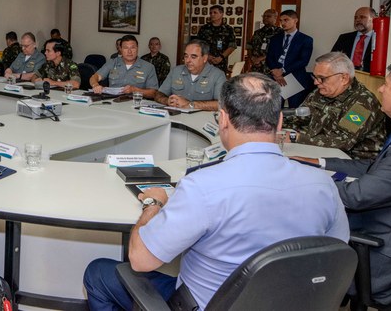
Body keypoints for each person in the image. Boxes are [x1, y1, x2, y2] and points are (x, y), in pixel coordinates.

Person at [83, 73, 349, 310]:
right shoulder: (323, 185)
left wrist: (153, 203)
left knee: (98, 273)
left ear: (222, 119)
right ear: (279, 122)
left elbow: (141, 260)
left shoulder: (204, 186)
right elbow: (335, 257)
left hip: (209, 304)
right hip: (292, 302)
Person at [293, 62, 391, 305]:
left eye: (388, 85)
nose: (381, 89)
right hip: (374, 214)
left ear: (343, 78)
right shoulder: (318, 94)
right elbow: (370, 169)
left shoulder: (363, 102)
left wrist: (303, 184)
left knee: (295, 255)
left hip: (382, 251)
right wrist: (317, 163)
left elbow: (356, 194)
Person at [284, 52, 385, 159]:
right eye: (315, 77)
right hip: (318, 152)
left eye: (322, 78)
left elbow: (342, 141)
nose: (316, 82)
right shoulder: (320, 92)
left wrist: (296, 138)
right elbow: (299, 119)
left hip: (353, 161)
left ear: (344, 79)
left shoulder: (363, 103)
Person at [154, 39, 226, 111]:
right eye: (186, 56)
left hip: (201, 120)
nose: (188, 60)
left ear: (205, 58)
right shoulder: (176, 71)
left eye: (193, 57)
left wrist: (190, 105)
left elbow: (222, 104)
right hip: (176, 117)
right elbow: (158, 94)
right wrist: (168, 101)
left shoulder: (218, 75)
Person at [266, 9, 314, 108]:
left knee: (294, 108)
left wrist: (283, 70)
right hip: (276, 78)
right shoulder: (275, 38)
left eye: (286, 20)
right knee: (274, 108)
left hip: (295, 77)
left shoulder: (306, 39)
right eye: (281, 20)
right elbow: (269, 58)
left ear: (295, 20)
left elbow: (303, 61)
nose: (282, 23)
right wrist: (276, 73)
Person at [89, 35, 158, 98]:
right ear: (121, 49)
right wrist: (96, 85)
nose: (129, 51)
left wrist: (135, 90)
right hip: (112, 102)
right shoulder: (112, 63)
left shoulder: (148, 67)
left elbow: (153, 93)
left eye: (132, 48)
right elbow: (95, 77)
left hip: (135, 103)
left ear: (137, 48)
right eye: (126, 48)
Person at [332, 6, 377, 72]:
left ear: (373, 19)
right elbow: (332, 59)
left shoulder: (379, 40)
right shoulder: (344, 38)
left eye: (362, 17)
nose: (357, 20)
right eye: (355, 18)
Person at [196, 5, 236, 74]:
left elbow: (232, 46)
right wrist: (207, 56)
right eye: (211, 13)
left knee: (219, 83)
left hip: (221, 63)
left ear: (221, 14)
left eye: (215, 12)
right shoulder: (204, 28)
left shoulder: (228, 29)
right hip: (205, 61)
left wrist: (221, 57)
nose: (212, 15)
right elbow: (198, 44)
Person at [246, 9, 281, 75]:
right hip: (256, 68)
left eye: (268, 16)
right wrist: (252, 58)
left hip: (270, 69)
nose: (265, 18)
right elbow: (249, 46)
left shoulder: (279, 32)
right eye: (264, 16)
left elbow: (279, 50)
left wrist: (260, 59)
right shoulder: (257, 32)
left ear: (275, 17)